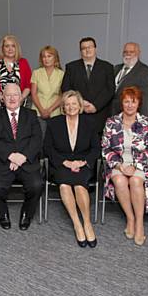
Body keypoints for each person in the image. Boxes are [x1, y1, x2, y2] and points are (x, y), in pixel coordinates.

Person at [102, 86, 148, 246]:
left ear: (138, 103)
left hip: (141, 164)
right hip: (118, 163)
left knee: (135, 181)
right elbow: (106, 148)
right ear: (122, 103)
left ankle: (139, 223)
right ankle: (130, 218)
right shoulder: (112, 122)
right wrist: (120, 166)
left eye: (133, 102)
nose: (129, 105)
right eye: (126, 101)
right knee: (120, 181)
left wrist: (135, 166)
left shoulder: (147, 123)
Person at [44, 90, 100, 247]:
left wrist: (83, 162)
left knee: (80, 185)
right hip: (61, 164)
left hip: (83, 164)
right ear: (63, 107)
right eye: (67, 104)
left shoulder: (90, 123)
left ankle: (87, 223)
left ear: (80, 105)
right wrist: (65, 162)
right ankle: (77, 223)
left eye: (74, 103)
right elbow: (48, 148)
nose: (71, 107)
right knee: (64, 184)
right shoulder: (54, 123)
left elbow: (96, 148)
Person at [0, 83, 43, 231]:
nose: (12, 98)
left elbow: (37, 139)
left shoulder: (31, 115)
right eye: (8, 95)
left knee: (36, 185)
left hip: (27, 161)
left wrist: (22, 157)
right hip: (4, 162)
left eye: (15, 95)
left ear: (21, 97)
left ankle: (27, 214)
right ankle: (2, 214)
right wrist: (11, 156)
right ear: (2, 98)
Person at [61, 37, 115, 133]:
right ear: (80, 51)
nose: (87, 50)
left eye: (90, 47)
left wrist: (95, 106)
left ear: (95, 49)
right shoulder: (71, 67)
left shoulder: (107, 67)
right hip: (78, 113)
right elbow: (66, 88)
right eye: (84, 48)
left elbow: (110, 89)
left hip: (100, 114)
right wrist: (81, 102)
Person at [30, 45, 64, 137]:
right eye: (44, 56)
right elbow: (33, 94)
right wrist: (42, 110)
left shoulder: (62, 74)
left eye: (49, 56)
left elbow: (62, 95)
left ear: (55, 58)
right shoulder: (36, 73)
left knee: (54, 138)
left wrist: (50, 110)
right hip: (37, 112)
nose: (46, 59)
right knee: (39, 138)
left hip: (55, 112)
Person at [112, 42, 148, 116]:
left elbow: (144, 99)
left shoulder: (145, 71)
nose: (128, 54)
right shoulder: (116, 68)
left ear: (138, 53)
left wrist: (142, 120)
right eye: (125, 52)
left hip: (131, 116)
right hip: (112, 115)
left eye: (131, 52)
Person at [0, 35, 32, 105]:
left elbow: (29, 85)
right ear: (2, 48)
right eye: (7, 46)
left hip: (20, 104)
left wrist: (22, 97)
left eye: (13, 46)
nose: (10, 49)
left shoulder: (23, 62)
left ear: (16, 48)